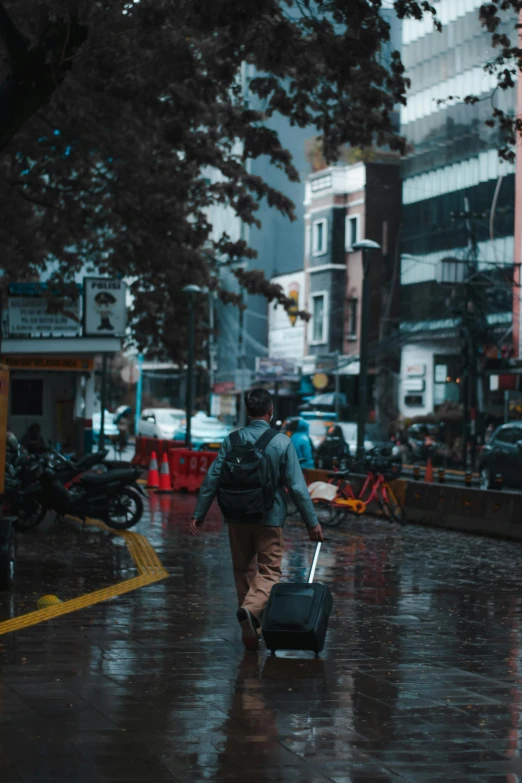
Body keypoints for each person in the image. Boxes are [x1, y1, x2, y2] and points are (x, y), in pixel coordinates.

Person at [190, 388, 323, 651]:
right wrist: (312, 522)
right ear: (270, 411)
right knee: (270, 572)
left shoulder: (232, 440)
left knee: (243, 571)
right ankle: (250, 611)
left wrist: (199, 513)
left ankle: (250, 632)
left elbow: (212, 478)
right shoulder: (281, 442)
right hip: (269, 518)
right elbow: (297, 487)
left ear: (247, 411)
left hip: (236, 517)